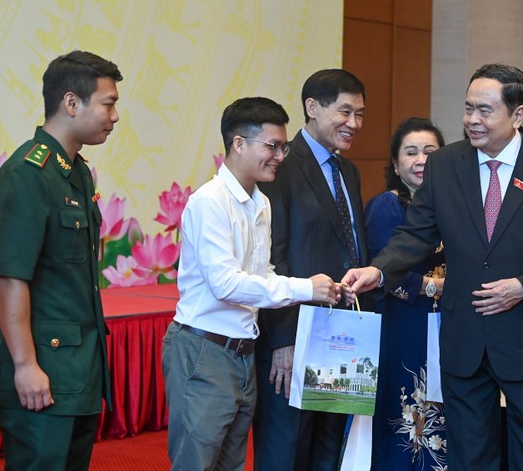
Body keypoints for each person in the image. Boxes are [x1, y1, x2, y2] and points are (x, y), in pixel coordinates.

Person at [342, 63, 523, 470]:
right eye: (467, 108)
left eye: (484, 110)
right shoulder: (446, 164)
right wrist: (380, 270)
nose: (472, 120)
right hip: (464, 341)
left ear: (516, 115)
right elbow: (416, 233)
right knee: (469, 456)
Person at [161, 97, 340, 470]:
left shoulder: (260, 202)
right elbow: (226, 283)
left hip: (243, 351)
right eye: (272, 146)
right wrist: (306, 288)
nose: (279, 156)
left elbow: (263, 274)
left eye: (283, 147)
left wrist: (313, 288)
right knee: (197, 462)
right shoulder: (209, 202)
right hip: (203, 350)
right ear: (239, 144)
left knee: (231, 463)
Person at [0, 50, 122, 470]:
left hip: (79, 371)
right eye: (108, 103)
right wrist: (25, 365)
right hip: (44, 371)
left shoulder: (77, 172)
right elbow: (10, 278)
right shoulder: (27, 174)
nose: (115, 115)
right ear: (72, 103)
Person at [252, 69, 368, 471]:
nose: (353, 124)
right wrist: (282, 338)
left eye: (360, 115)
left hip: (342, 335)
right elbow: (273, 258)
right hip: (295, 334)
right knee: (286, 449)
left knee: (328, 446)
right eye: (345, 112)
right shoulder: (280, 166)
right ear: (313, 108)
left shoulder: (347, 170)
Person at [363, 117, 447, 470]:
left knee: (441, 413)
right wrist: (435, 286)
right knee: (404, 409)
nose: (421, 160)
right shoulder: (387, 205)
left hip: (445, 325)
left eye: (431, 152)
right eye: (410, 152)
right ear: (396, 165)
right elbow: (383, 272)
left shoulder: (453, 207)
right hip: (403, 324)